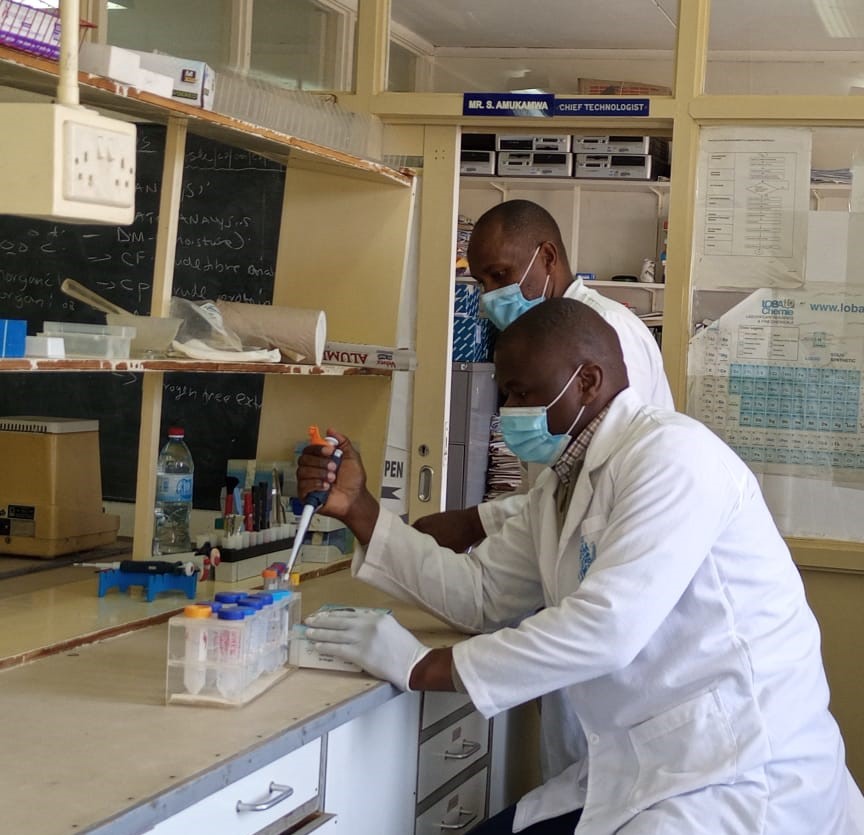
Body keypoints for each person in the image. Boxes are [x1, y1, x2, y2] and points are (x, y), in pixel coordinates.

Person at [298, 298, 864, 835]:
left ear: (587, 381)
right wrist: (360, 510)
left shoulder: (674, 458)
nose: (509, 412)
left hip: (736, 776)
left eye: (522, 393)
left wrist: (426, 666)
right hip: (647, 765)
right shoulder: (560, 485)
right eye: (505, 394)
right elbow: (482, 593)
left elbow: (607, 627)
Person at [414, 198, 673, 553]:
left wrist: (477, 522)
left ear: (548, 257)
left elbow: (604, 480)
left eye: (500, 275)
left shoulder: (606, 330)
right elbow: (548, 489)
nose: (490, 296)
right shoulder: (539, 339)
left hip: (616, 541)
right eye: (482, 282)